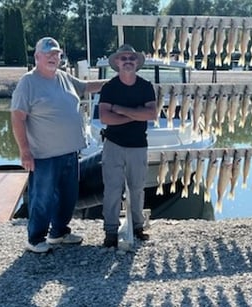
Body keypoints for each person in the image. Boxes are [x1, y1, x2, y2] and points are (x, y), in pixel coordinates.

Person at [11, 37, 106, 253]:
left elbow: (87, 87)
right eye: (48, 53)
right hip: (44, 155)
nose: (53, 57)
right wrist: (24, 151)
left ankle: (59, 232)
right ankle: (35, 239)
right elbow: (17, 118)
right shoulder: (28, 82)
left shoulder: (63, 77)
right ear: (37, 57)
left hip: (70, 153)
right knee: (42, 198)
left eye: (57, 54)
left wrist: (117, 81)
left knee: (68, 197)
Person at [98, 44, 156, 248]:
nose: (128, 60)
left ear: (137, 62)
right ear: (117, 62)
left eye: (132, 57)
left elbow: (151, 114)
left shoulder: (146, 86)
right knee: (112, 190)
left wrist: (120, 110)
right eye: (124, 58)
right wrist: (134, 114)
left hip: (138, 146)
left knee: (138, 188)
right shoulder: (109, 87)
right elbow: (105, 117)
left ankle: (138, 227)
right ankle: (110, 231)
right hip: (113, 145)